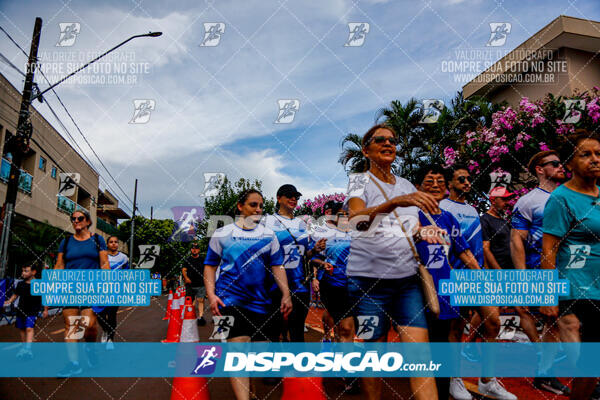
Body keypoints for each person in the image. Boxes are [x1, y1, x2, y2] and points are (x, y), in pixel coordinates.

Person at [345, 124, 446, 400]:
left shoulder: (406, 186)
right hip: (368, 284)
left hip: (406, 283)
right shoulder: (359, 181)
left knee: (420, 358)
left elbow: (408, 228)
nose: (389, 143)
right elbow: (356, 221)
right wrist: (394, 202)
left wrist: (423, 232)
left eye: (393, 140)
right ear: (366, 150)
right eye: (380, 139)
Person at [412, 164, 515, 400]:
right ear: (418, 187)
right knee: (431, 342)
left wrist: (481, 277)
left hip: (450, 282)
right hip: (420, 285)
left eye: (440, 181)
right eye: (429, 181)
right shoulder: (409, 213)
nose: (436, 186)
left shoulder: (449, 217)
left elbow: (464, 252)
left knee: (484, 325)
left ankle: (475, 381)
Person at [204, 189, 292, 400]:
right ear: (240, 206)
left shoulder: (269, 235)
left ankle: (250, 390)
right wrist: (211, 294)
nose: (258, 210)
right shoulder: (222, 234)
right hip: (230, 299)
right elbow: (210, 266)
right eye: (253, 205)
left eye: (261, 205)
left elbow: (277, 266)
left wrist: (286, 294)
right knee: (238, 351)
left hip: (261, 302)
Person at [540, 132, 600, 400]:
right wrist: (548, 295)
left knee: (590, 370)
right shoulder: (561, 199)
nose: (594, 160)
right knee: (586, 364)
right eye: (585, 155)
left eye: (598, 154)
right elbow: (548, 249)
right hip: (572, 288)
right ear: (570, 164)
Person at [510, 150, 570, 396]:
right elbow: (517, 242)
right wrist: (522, 277)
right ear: (539, 169)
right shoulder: (528, 201)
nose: (560, 167)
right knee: (553, 322)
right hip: (541, 271)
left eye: (561, 163)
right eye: (554, 164)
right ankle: (545, 374)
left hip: (571, 271)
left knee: (567, 323)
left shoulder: (569, 196)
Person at [264, 184, 326, 343]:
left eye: (296, 197)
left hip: (300, 284)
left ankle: (297, 366)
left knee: (297, 330)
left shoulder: (301, 224)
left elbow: (305, 254)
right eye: (289, 195)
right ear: (278, 198)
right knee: (274, 330)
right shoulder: (268, 221)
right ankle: (275, 365)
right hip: (274, 284)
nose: (294, 199)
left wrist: (315, 250)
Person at [309, 202, 358, 394]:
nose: (345, 217)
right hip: (332, 287)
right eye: (341, 214)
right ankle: (348, 372)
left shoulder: (358, 235)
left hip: (353, 287)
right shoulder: (326, 234)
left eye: (348, 214)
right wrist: (320, 265)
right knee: (342, 326)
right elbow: (312, 257)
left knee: (346, 329)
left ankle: (344, 364)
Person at [54, 209, 109, 377]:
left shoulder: (98, 240)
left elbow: (104, 263)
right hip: (70, 288)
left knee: (89, 326)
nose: (76, 220)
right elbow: (59, 265)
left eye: (80, 218)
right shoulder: (66, 241)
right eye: (73, 218)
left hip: (91, 288)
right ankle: (74, 364)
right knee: (71, 324)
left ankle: (89, 348)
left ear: (87, 221)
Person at [4, 263, 45, 359]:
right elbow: (15, 295)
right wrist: (9, 301)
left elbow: (44, 296)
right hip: (21, 309)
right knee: (22, 329)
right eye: (23, 271)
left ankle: (28, 348)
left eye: (26, 271)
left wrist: (45, 310)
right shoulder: (20, 284)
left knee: (29, 328)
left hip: (33, 310)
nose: (23, 273)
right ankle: (24, 348)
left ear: (33, 272)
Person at [97, 236, 129, 350]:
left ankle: (110, 339)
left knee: (111, 315)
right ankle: (106, 330)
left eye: (116, 242)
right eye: (111, 242)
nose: (114, 244)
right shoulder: (101, 256)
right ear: (107, 244)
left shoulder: (124, 258)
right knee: (99, 314)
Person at [481, 186, 514, 270]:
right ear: (493, 201)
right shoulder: (485, 220)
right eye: (504, 199)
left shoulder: (503, 220)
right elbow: (485, 249)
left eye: (508, 199)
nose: (507, 202)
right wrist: (499, 271)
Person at [182, 241, 206, 326]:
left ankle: (201, 317)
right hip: (190, 284)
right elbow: (184, 270)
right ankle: (190, 317)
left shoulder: (203, 259)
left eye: (196, 249)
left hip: (201, 283)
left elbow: (206, 270)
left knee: (201, 300)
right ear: (191, 250)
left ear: (198, 250)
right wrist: (186, 278)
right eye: (193, 249)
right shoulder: (187, 260)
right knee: (190, 301)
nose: (194, 250)